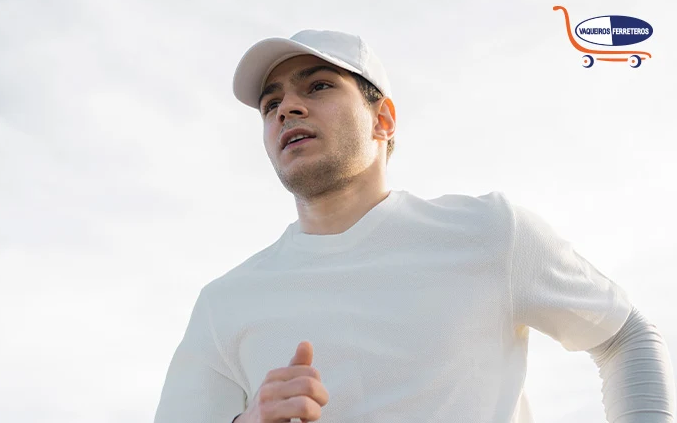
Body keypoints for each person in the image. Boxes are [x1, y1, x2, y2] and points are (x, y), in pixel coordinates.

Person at [153, 29, 675, 423]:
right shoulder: (225, 303)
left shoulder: (490, 233)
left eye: (317, 86)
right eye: (271, 104)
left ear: (382, 120)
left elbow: (623, 334)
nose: (287, 107)